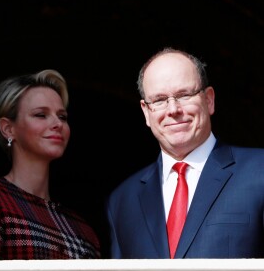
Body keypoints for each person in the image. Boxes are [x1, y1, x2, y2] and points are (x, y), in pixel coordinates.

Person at [106, 47, 264, 259]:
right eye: (160, 100)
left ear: (209, 100)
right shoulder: (123, 201)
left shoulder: (259, 171)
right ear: (146, 111)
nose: (173, 109)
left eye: (184, 95)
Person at [0, 69, 101, 260]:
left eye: (62, 116)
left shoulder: (82, 229)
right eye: (40, 115)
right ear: (8, 129)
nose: (57, 123)